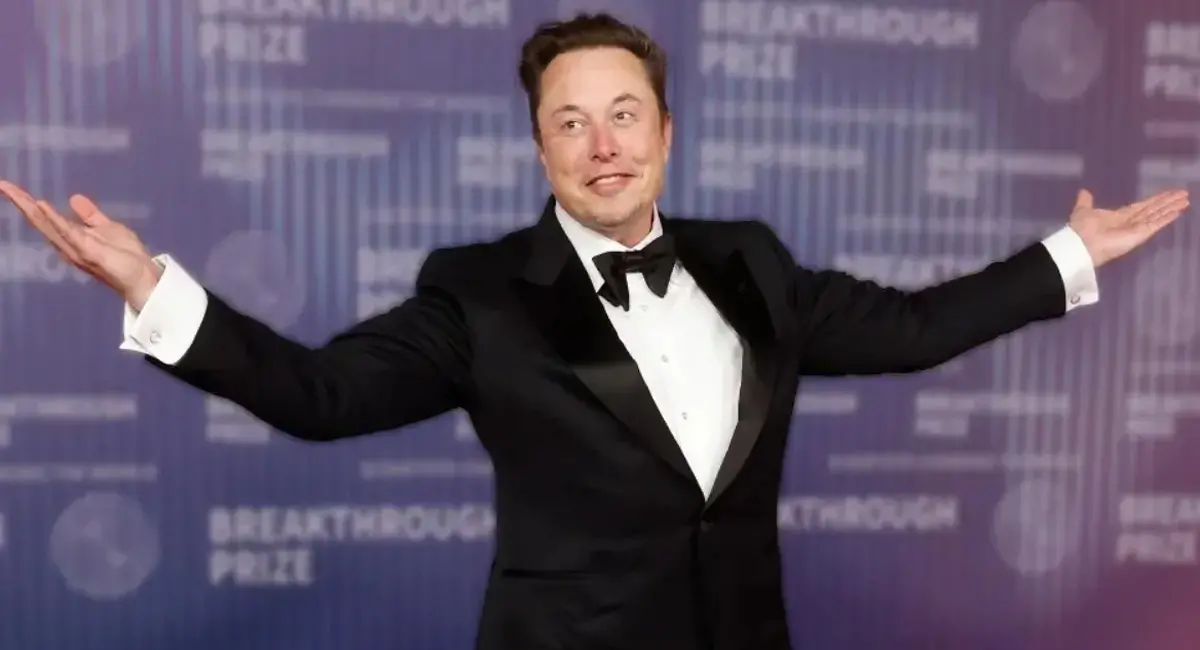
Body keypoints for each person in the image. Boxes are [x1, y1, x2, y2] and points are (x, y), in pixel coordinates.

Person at [0, 12, 1190, 650]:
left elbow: (916, 327)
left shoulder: (752, 261)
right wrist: (156, 288)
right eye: (571, 122)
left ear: (666, 133)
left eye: (625, 114)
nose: (604, 143)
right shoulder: (479, 292)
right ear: (541, 147)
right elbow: (322, 394)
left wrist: (1068, 254)